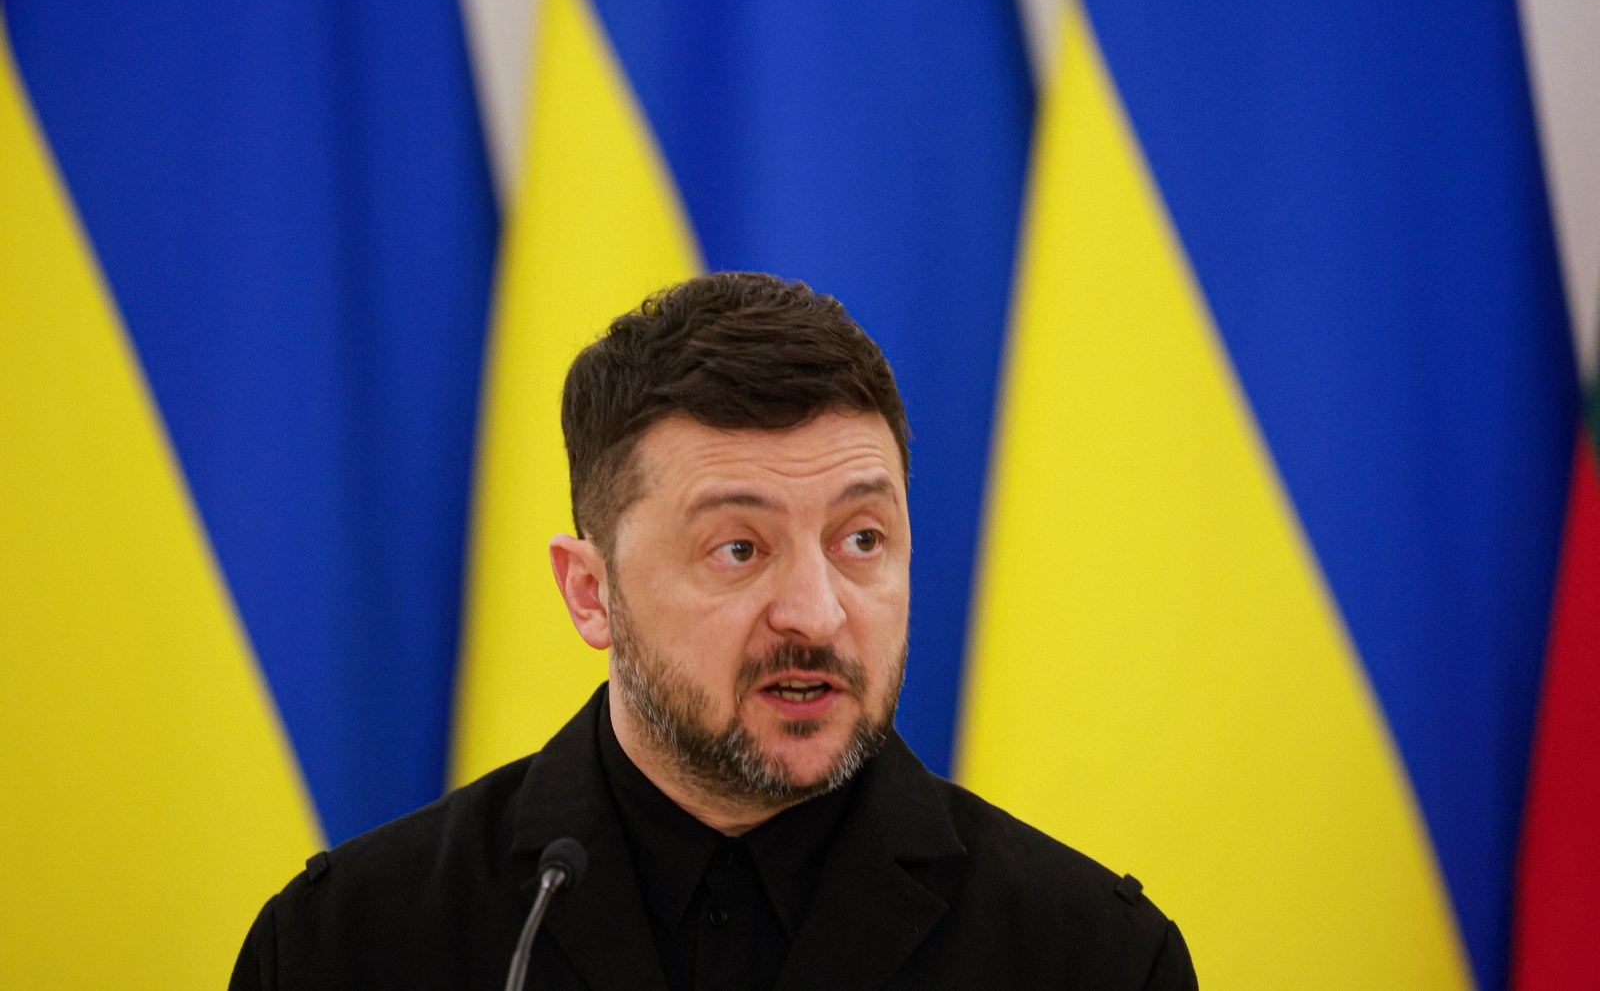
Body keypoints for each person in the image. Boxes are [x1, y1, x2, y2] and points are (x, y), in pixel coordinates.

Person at [229, 272, 1198, 990]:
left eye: (862, 538)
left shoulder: (1093, 961)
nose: (817, 614)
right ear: (589, 592)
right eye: (738, 549)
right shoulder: (347, 948)